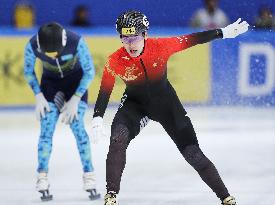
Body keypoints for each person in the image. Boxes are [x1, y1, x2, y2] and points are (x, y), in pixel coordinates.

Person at [91, 10, 249, 205]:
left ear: (145, 35)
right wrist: (97, 117)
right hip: (135, 105)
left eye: (134, 37)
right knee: (117, 139)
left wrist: (222, 33)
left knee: (193, 154)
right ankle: (111, 195)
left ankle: (226, 197)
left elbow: (193, 39)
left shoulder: (161, 46)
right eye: (125, 38)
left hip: (166, 105)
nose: (130, 44)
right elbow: (105, 89)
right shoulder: (115, 60)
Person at [23, 22, 100, 201]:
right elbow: (28, 71)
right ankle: (42, 176)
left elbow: (89, 72)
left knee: (78, 127)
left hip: (75, 86)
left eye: (57, 51)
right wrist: (38, 95)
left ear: (64, 41)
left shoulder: (77, 41)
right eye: (48, 54)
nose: (54, 56)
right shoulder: (32, 44)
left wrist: (76, 98)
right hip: (50, 87)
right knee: (46, 129)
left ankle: (89, 175)